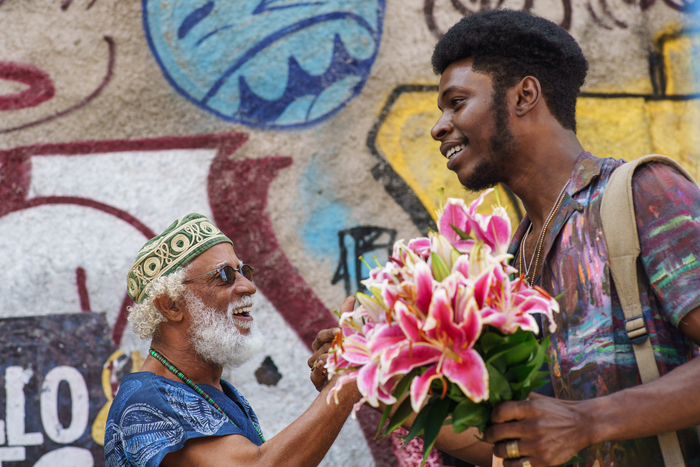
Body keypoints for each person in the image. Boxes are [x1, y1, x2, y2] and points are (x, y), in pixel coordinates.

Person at [311, 9, 700, 467]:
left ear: (525, 95)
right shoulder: (508, 266)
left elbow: (572, 425)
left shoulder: (644, 194)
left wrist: (588, 421)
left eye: (456, 103)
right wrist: (374, 376)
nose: (439, 126)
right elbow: (507, 443)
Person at [104, 213, 361, 467]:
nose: (248, 287)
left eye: (243, 271)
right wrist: (348, 380)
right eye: (224, 276)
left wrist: (350, 379)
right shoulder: (149, 400)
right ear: (171, 305)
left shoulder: (215, 389)